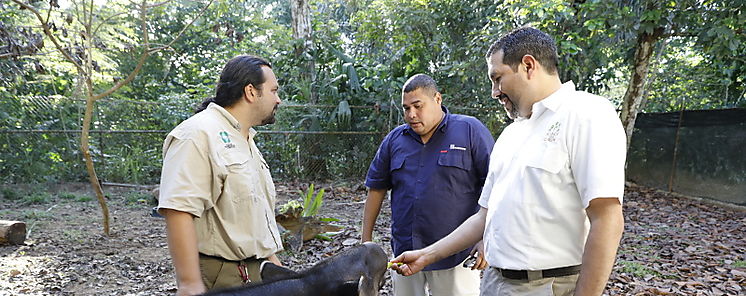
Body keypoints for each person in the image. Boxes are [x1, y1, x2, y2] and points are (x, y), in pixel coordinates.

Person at [390, 27, 626, 296]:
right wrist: (427, 255)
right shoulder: (512, 133)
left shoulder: (586, 114)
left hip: (547, 285)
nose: (494, 92)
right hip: (495, 281)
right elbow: (485, 216)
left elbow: (607, 219)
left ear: (528, 65)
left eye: (497, 78)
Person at [157, 55, 284, 296]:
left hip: (254, 272)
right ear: (250, 91)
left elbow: (249, 212)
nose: (277, 99)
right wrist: (190, 284)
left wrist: (272, 263)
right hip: (220, 278)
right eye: (273, 90)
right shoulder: (197, 134)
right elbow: (178, 210)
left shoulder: (244, 139)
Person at [363, 74, 495, 296]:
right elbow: (376, 188)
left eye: (417, 106)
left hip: (456, 256)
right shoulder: (395, 140)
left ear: (437, 99)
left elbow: (495, 187)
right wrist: (365, 243)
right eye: (406, 108)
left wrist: (485, 238)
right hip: (405, 253)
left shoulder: (469, 131)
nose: (411, 114)